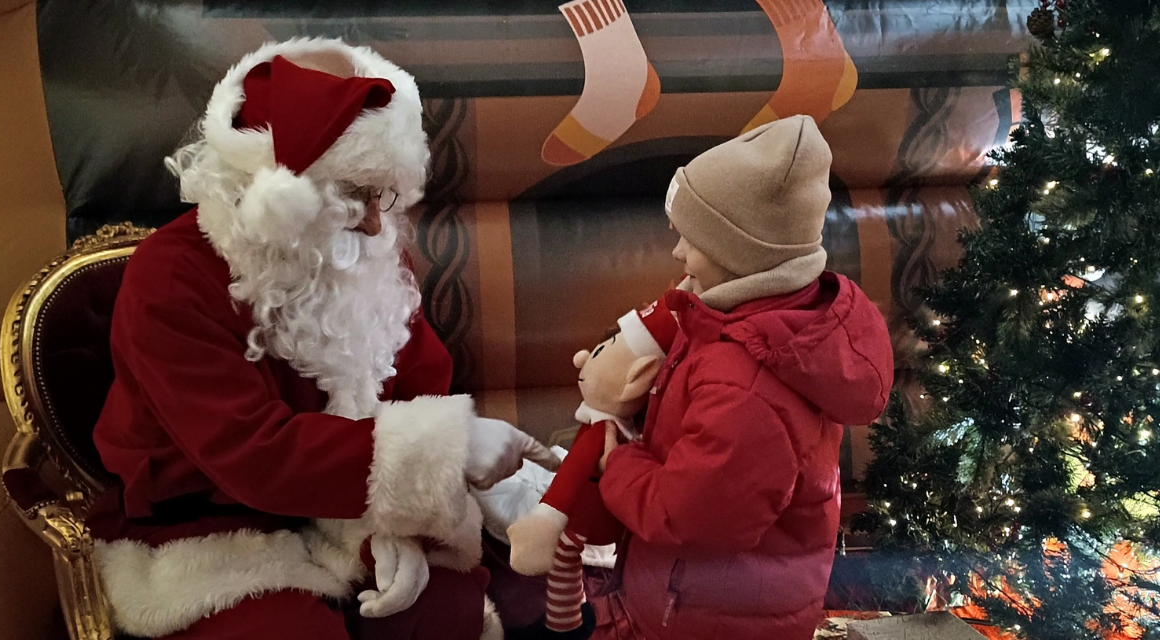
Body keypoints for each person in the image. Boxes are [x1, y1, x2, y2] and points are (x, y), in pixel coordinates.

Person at [87, 38, 557, 640]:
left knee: (456, 606)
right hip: (206, 527)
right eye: (352, 194)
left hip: (347, 506)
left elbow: (417, 383)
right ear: (272, 193)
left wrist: (398, 526)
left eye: (380, 192)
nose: (372, 221)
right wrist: (442, 452)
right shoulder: (170, 278)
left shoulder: (363, 246)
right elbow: (254, 455)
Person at [593, 115, 895, 640]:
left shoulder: (749, 385)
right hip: (712, 602)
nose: (677, 253)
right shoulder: (748, 321)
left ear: (741, 255)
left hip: (707, 620)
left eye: (692, 240)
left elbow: (692, 516)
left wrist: (617, 465)